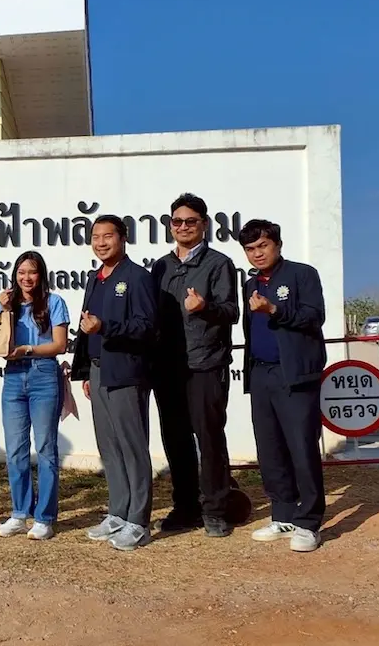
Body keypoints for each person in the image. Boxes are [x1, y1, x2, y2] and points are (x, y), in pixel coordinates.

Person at [150, 193, 240, 537]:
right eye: (177, 221)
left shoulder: (219, 264)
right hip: (167, 366)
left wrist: (204, 307)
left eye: (191, 221)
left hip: (205, 364)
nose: (183, 227)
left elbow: (231, 311)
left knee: (210, 438)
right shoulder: (161, 266)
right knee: (176, 440)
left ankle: (216, 510)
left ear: (204, 224)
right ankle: (185, 507)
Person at [70, 215, 159, 551]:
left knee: (132, 447)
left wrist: (105, 327)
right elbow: (86, 328)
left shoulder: (137, 277)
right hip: (98, 371)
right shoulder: (95, 278)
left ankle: (138, 520)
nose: (101, 243)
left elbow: (147, 326)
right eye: (95, 237)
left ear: (123, 238)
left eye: (108, 236)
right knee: (109, 447)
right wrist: (85, 371)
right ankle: (118, 512)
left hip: (126, 371)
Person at [239, 219, 328, 553]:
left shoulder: (302, 274)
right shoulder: (251, 284)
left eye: (263, 245)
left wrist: (274, 309)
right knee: (270, 449)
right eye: (250, 249)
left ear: (277, 244)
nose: (257, 253)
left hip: (294, 374)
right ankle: (283, 514)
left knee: (302, 448)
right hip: (261, 374)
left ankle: (309, 521)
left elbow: (314, 317)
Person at [0, 251, 71, 541]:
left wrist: (27, 350)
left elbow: (60, 345)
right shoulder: (6, 304)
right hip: (13, 377)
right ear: (15, 275)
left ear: (41, 275)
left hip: (43, 374)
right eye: (21, 272)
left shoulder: (54, 302)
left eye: (32, 272)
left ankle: (44, 517)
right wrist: (3, 310)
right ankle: (19, 513)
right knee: (15, 449)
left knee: (46, 448)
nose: (26, 278)